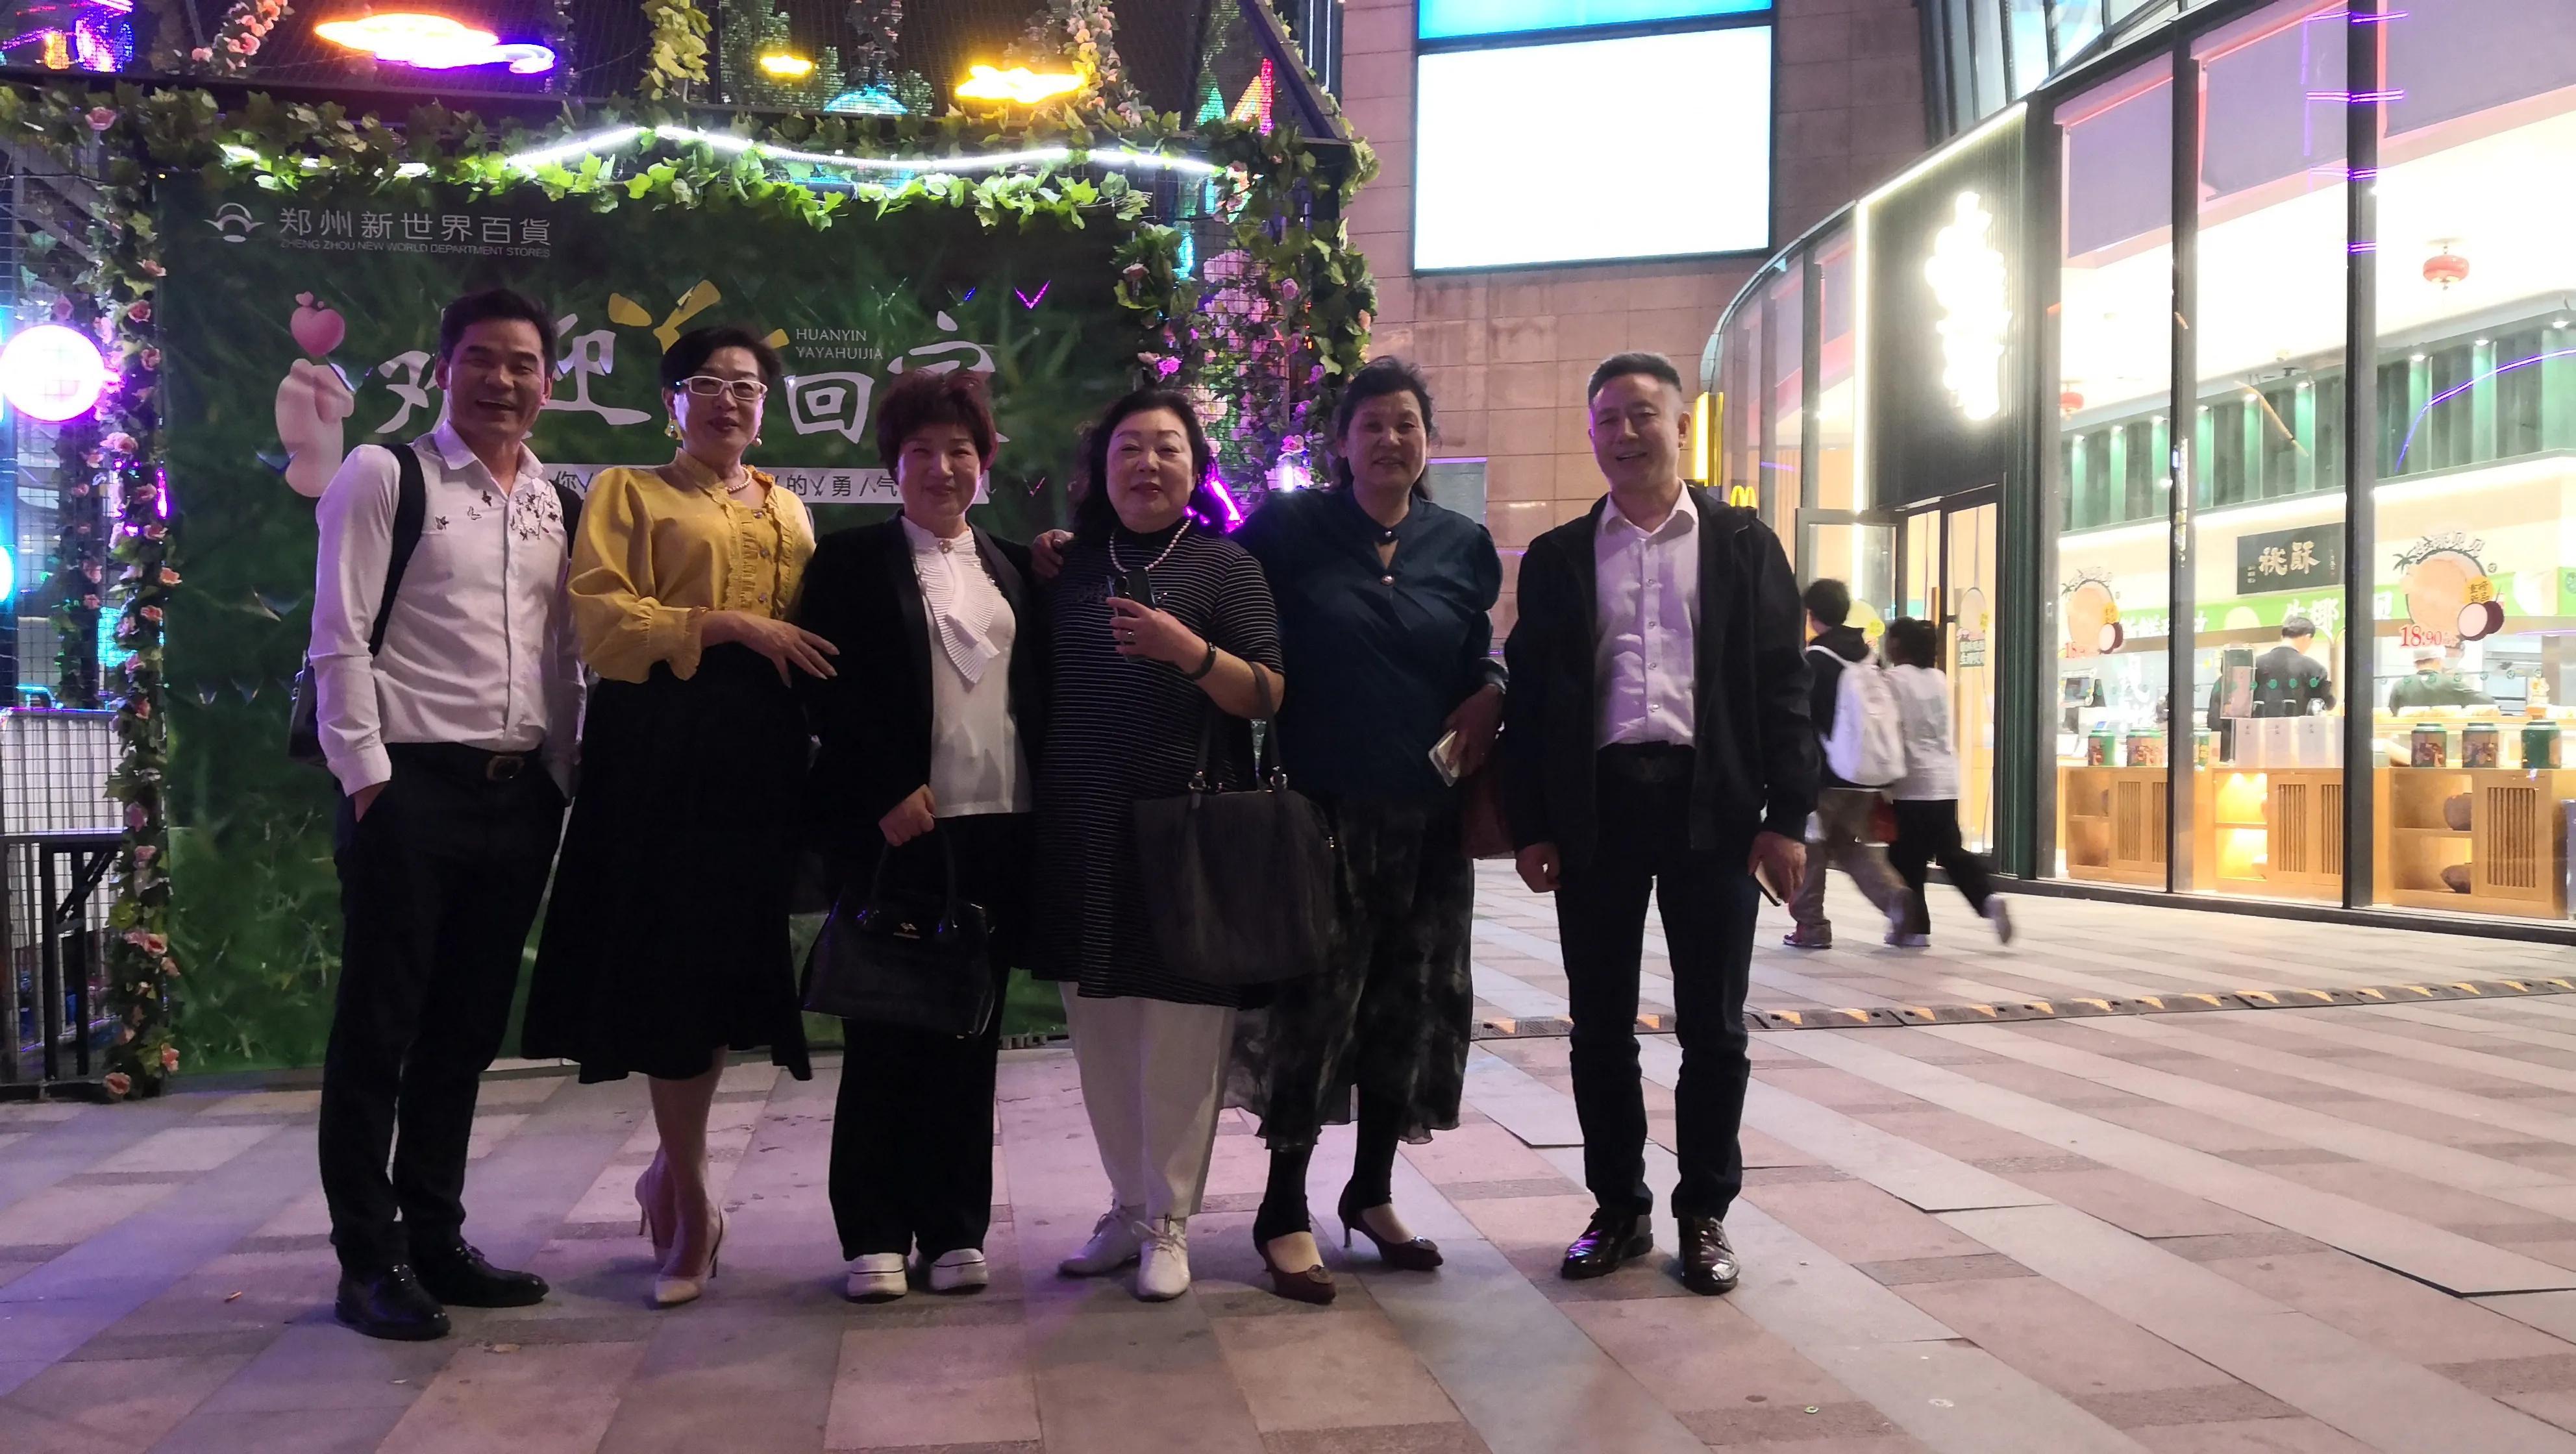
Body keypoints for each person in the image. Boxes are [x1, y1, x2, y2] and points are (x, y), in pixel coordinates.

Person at [523, 325, 835, 1309]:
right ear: (672, 402)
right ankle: (694, 1199)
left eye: (747, 386)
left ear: (766, 407)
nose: (728, 400)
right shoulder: (629, 492)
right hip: (658, 746)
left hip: (758, 755)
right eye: (707, 383)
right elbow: (602, 623)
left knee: (724, 965)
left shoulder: (790, 507)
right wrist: (725, 623)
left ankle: (671, 1168)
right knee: (670, 966)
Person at [1501, 352, 1814, 1298]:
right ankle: (1618, 1209)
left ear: (1682, 426)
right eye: (1606, 418)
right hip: (1597, 808)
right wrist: (1532, 825)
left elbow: (1783, 685)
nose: (1625, 433)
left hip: (1711, 806)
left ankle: (1704, 1213)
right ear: (1591, 435)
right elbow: (1533, 700)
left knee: (1713, 1026)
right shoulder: (1559, 557)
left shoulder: (1743, 544)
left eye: (1642, 414)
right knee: (1598, 1024)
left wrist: (1787, 817)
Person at [310, 289, 582, 1342]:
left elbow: (562, 655)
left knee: (464, 1032)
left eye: (522, 363)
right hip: (410, 788)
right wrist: (367, 779)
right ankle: (367, 1261)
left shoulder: (554, 500)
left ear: (548, 382)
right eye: (481, 359)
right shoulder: (386, 473)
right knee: (379, 1029)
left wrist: (563, 774)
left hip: (519, 797)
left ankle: (435, 1238)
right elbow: (338, 634)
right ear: (442, 370)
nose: (501, 380)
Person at [1226, 358, 1503, 1304]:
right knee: (1315, 1008)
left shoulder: (1462, 545)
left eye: (1406, 424)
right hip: (1322, 816)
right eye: (1372, 424)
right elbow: (1206, 580)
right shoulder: (1288, 531)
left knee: (1409, 1004)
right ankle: (1282, 1209)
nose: (1390, 440)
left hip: (1428, 820)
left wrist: (1494, 689)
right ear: (1341, 442)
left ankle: (1372, 1192)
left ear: (1428, 441)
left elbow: (1478, 654)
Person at [796, 369, 1044, 1303]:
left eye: (960, 451)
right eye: (921, 452)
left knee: (968, 1037)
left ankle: (954, 1228)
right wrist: (882, 792)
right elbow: (823, 687)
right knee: (885, 1034)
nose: (942, 468)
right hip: (900, 831)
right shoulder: (850, 561)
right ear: (892, 465)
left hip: (998, 826)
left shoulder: (1013, 566)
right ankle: (872, 1231)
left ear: (985, 462)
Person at [1033, 388, 1285, 1303]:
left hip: (1186, 833)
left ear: (1196, 467)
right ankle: (1128, 1206)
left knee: (1181, 1030)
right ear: (1101, 469)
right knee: (1099, 1030)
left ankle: (1170, 1220)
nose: (1146, 464)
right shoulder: (1068, 566)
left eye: (1166, 447)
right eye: (1128, 448)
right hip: (1080, 826)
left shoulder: (1227, 566)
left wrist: (1190, 652)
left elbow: (1268, 692)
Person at [1783, 578, 1908, 950]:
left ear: (1812, 614)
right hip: (1865, 774)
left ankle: (1811, 926)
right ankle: (1895, 897)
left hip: (1825, 774)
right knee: (1849, 846)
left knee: (1812, 848)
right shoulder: (1869, 657)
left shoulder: (1816, 660)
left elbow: (1802, 719)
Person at [1880, 616, 2011, 948]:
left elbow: (1888, 728)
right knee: (1951, 853)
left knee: (1906, 859)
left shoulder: (1892, 680)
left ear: (1897, 644)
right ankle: (1988, 899)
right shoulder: (1938, 678)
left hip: (1911, 782)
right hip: (1945, 780)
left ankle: (1916, 929)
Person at [2252, 617, 2334, 718]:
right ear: (2307, 638)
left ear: (2282, 637)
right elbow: (2328, 703)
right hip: (2298, 727)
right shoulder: (2315, 668)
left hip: (2258, 726)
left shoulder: (2255, 664)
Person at [2388, 646, 2492, 712]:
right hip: (2442, 736)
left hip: (2408, 736)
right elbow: (2485, 700)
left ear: (2415, 664)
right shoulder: (2449, 683)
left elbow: (2392, 711)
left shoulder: (2400, 685)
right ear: (2438, 661)